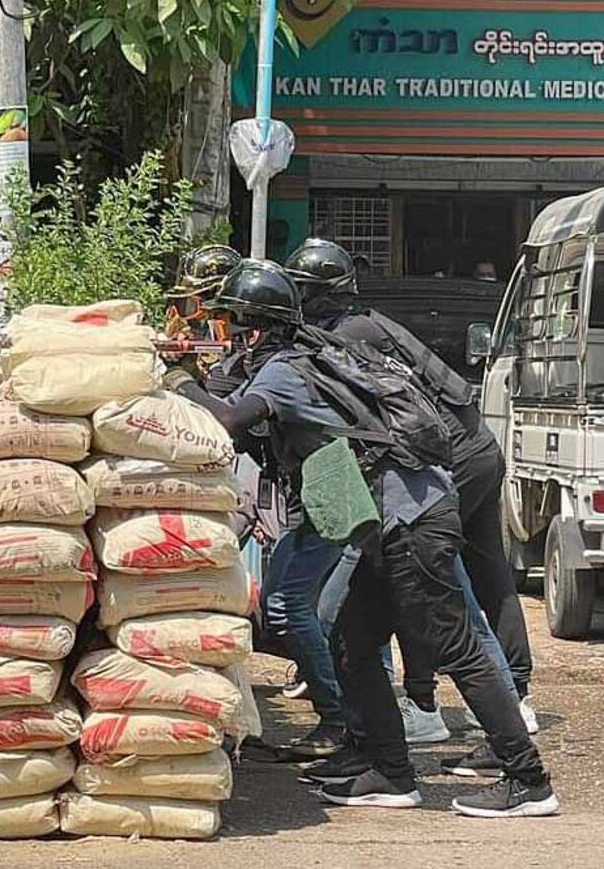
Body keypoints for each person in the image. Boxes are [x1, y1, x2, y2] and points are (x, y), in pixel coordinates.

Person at [163, 259, 557, 818]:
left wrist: (177, 377)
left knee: (455, 645)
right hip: (378, 521)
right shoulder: (293, 361)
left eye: (229, 323)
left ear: (256, 328)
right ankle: (393, 774)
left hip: (413, 516)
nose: (222, 334)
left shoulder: (287, 370)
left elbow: (226, 421)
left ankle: (528, 780)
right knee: (352, 639)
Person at [285, 238, 537, 759]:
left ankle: (429, 710)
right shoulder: (366, 324)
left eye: (304, 293)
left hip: (444, 462)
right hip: (472, 449)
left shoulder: (345, 336)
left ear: (320, 296)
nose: (300, 304)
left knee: (437, 595)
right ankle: (500, 700)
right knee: (479, 581)